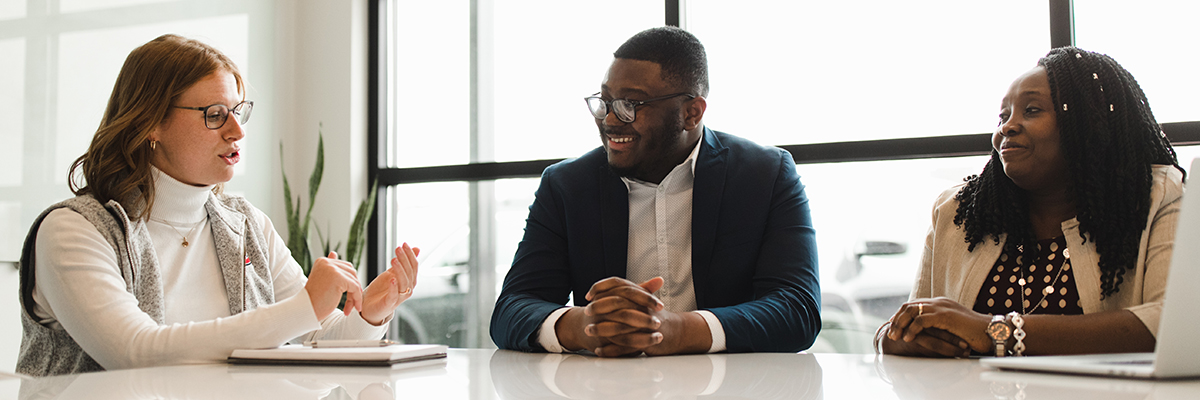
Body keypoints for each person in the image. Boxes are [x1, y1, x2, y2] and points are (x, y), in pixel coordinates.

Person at [16, 34, 420, 376]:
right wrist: (306, 306)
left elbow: (315, 335)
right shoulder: (72, 231)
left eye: (239, 111)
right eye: (215, 114)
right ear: (151, 123)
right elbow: (133, 352)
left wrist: (369, 313)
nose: (237, 130)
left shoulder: (245, 224)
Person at [490, 27, 821, 357]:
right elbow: (511, 309)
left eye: (630, 104)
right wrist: (585, 326)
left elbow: (797, 309)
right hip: (606, 387)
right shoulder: (567, 185)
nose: (610, 120)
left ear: (692, 113)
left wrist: (677, 330)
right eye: (604, 102)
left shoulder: (766, 174)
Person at [879, 47, 1184, 357]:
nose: (1007, 127)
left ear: (1088, 122)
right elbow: (906, 322)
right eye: (1003, 116)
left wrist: (996, 332)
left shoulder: (1155, 196)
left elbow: (1173, 322)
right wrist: (895, 339)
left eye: (1032, 110)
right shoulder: (956, 212)